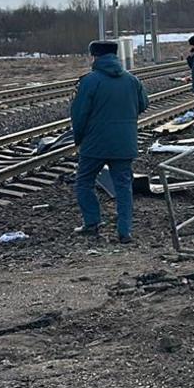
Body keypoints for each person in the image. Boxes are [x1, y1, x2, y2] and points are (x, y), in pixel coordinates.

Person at [70, 40, 149, 243]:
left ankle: (92, 222)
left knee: (84, 182)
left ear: (94, 57)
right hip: (124, 143)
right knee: (123, 186)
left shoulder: (89, 81)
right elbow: (143, 105)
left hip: (95, 143)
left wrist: (78, 138)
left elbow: (79, 114)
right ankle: (125, 231)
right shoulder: (132, 80)